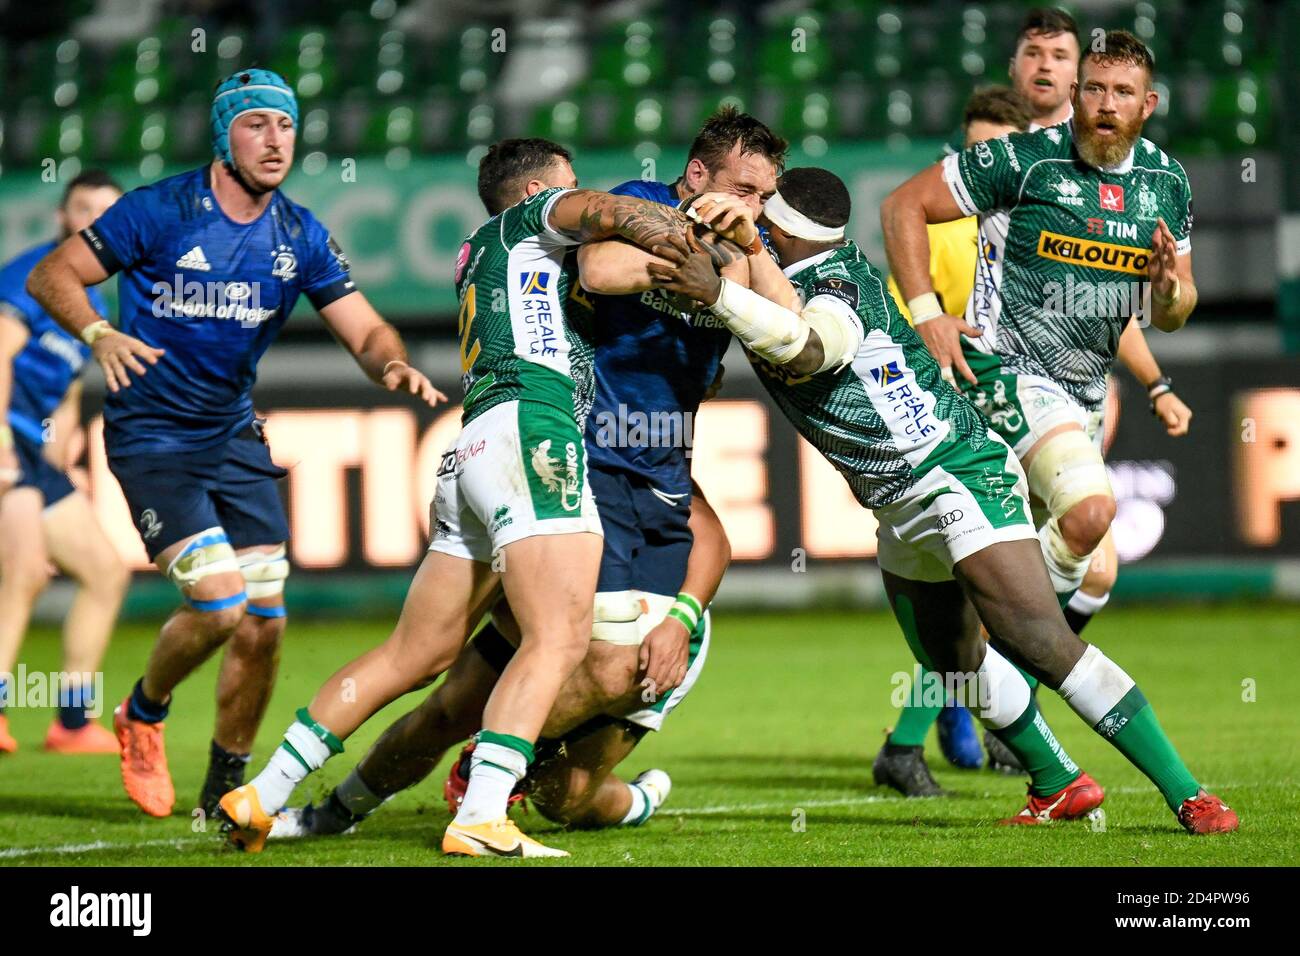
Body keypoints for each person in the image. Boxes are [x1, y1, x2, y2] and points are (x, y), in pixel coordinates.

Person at [649, 166, 1237, 834]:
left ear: (785, 230)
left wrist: (718, 293)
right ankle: (1057, 783)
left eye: (764, 217)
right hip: (901, 502)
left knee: (1037, 639)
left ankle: (1190, 794)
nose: (755, 224)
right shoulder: (786, 269)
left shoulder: (837, 286)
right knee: (950, 659)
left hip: (955, 474)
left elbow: (809, 347)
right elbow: (767, 297)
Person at [218, 138, 734, 858]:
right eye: (568, 185)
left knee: (413, 655)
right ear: (534, 195)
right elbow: (603, 211)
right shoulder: (537, 218)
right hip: (534, 431)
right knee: (559, 636)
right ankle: (484, 813)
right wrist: (695, 228)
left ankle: (260, 795)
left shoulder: (479, 252)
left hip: (473, 447)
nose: (581, 198)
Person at [26, 69, 443, 819]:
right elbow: (55, 273)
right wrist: (98, 331)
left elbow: (365, 326)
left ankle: (223, 788)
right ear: (225, 135)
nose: (275, 140)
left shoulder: (301, 235)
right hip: (152, 434)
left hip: (232, 434)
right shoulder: (158, 211)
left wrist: (391, 362)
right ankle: (144, 712)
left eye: (285, 125)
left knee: (265, 620)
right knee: (220, 605)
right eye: (256, 124)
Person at [0, 169, 128, 755]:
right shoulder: (30, 277)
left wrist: (63, 452)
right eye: (84, 209)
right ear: (62, 217)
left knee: (106, 570)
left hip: (34, 452)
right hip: (6, 442)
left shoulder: (91, 301)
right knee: (22, 572)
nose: (95, 222)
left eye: (108, 212)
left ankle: (72, 725)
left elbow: (69, 388)